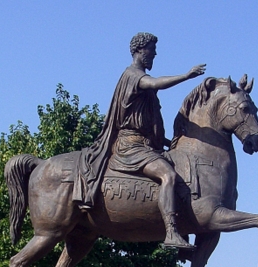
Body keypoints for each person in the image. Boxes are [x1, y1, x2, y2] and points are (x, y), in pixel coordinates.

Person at [75, 32, 206, 249]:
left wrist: (165, 141)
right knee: (169, 175)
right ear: (139, 50)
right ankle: (172, 232)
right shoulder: (133, 76)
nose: (154, 54)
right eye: (151, 50)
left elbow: (146, 121)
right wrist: (186, 76)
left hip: (144, 143)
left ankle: (185, 230)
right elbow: (156, 83)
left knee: (182, 179)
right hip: (131, 146)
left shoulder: (138, 76)